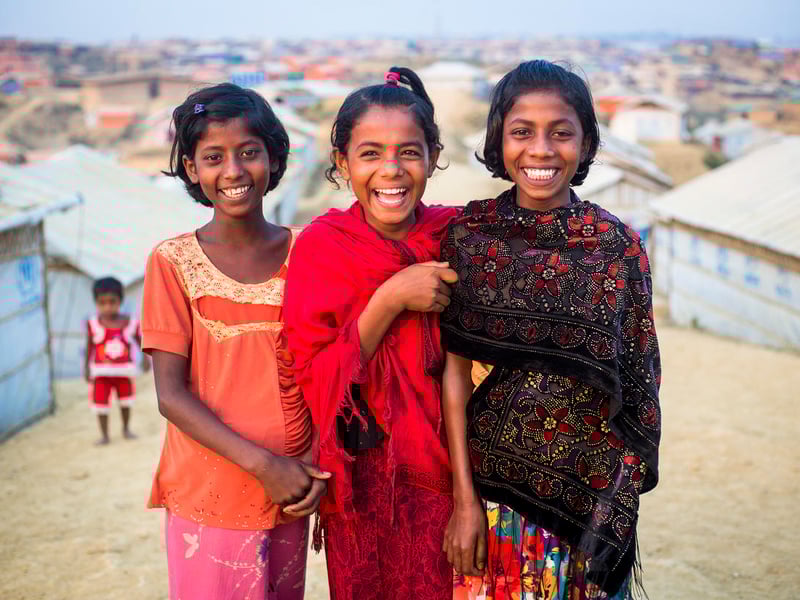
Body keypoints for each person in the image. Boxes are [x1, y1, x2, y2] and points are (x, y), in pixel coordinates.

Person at [440, 60, 662, 600]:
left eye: (561, 133)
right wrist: (464, 502)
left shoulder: (615, 246)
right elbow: (453, 377)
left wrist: (611, 505)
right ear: (498, 140)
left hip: (589, 505)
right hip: (491, 500)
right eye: (522, 132)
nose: (541, 150)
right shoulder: (470, 238)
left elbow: (636, 379)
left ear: (585, 144)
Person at [140, 83, 328, 600]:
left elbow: (325, 369)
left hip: (294, 489)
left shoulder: (308, 252)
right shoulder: (173, 262)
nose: (233, 171)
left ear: (273, 156)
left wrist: (304, 468)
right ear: (191, 170)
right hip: (212, 492)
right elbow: (170, 396)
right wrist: (266, 466)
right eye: (213, 157)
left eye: (249, 152)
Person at [284, 67, 459, 600]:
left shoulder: (458, 235)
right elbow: (312, 376)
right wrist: (389, 300)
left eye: (409, 151)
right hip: (359, 480)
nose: (392, 170)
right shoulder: (322, 246)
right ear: (341, 162)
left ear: (432, 155)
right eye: (370, 153)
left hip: (451, 473)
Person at [84, 276, 147, 445]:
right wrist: (86, 369)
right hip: (100, 374)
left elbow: (141, 341)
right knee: (101, 404)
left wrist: (146, 360)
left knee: (126, 401)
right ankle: (104, 435)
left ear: (120, 301)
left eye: (112, 302)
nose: (107, 307)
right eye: (102, 303)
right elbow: (89, 347)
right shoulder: (93, 324)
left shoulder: (130, 323)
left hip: (124, 372)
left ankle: (126, 429)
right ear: (96, 303)